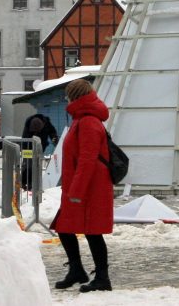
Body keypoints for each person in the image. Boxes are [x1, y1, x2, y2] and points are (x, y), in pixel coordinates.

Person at [50, 79, 114, 292]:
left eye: (68, 95)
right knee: (64, 226)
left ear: (74, 96)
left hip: (89, 187)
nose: (66, 99)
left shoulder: (87, 121)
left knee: (92, 231)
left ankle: (102, 278)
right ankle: (77, 270)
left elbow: (88, 158)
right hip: (81, 185)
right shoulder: (82, 118)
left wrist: (77, 190)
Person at [20, 113, 60, 191]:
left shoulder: (47, 123)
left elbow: (52, 131)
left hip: (40, 147)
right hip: (28, 148)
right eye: (34, 132)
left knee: (36, 165)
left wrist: (54, 138)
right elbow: (24, 139)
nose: (35, 133)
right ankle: (24, 182)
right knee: (27, 165)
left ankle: (33, 183)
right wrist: (25, 151)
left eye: (37, 131)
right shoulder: (28, 123)